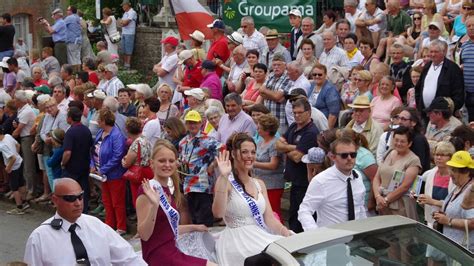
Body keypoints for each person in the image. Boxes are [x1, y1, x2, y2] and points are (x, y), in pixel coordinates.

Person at [24, 178, 145, 265]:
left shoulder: (96, 225)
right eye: (70, 198)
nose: (77, 203)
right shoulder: (40, 238)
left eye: (80, 197)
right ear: (55, 200)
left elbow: (128, 258)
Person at [213, 133, 291, 265]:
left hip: (259, 234)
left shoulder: (259, 183)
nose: (250, 156)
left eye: (253, 152)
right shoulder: (226, 182)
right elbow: (218, 213)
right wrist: (224, 176)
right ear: (233, 154)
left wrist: (285, 232)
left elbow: (269, 219)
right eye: (244, 152)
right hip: (238, 242)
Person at [136, 140, 215, 265]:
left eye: (171, 161)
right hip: (159, 256)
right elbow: (144, 235)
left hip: (172, 251)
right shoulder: (148, 190)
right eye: (162, 161)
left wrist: (194, 227)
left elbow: (167, 229)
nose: (167, 164)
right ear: (152, 163)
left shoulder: (166, 189)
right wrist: (154, 207)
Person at [298, 137, 367, 230]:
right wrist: (315, 235)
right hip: (332, 239)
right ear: (332, 157)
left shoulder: (357, 176)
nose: (349, 158)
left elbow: (360, 207)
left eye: (353, 154)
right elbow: (304, 211)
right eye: (344, 155)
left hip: (356, 236)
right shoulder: (321, 181)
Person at [276, 98, 319, 233]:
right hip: (294, 180)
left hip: (304, 182)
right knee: (293, 213)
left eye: (300, 112)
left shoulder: (311, 132)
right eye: (294, 113)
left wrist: (286, 148)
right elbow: (277, 144)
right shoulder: (294, 126)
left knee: (300, 217)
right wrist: (294, 147)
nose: (297, 115)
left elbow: (296, 157)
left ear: (309, 112)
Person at [178, 110, 222, 226]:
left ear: (200, 124)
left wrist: (213, 165)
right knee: (194, 219)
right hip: (188, 184)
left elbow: (223, 150)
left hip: (202, 184)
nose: (192, 125)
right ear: (186, 124)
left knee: (204, 220)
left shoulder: (206, 139)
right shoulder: (183, 142)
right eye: (189, 122)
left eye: (195, 123)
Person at [428, 151, 474, 252]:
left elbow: (472, 223)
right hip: (452, 247)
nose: (450, 173)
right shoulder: (457, 187)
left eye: (454, 170)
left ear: (466, 172)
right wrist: (442, 215)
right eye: (451, 169)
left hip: (464, 249)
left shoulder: (470, 192)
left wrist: (448, 221)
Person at [91, 109, 127, 235]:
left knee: (117, 202)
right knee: (107, 200)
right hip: (102, 174)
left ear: (104, 121)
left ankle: (121, 226)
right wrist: (93, 165)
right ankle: (109, 224)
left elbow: (117, 156)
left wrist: (103, 169)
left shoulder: (117, 136)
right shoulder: (101, 132)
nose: (97, 122)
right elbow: (93, 149)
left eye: (99, 120)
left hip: (114, 174)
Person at [373, 126, 421, 220]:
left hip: (400, 205)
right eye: (396, 140)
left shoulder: (413, 160)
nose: (398, 143)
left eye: (402, 141)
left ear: (409, 143)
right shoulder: (389, 152)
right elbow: (376, 177)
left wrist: (386, 200)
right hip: (382, 202)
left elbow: (405, 186)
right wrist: (378, 197)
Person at [417, 141, 456, 229]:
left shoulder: (455, 177)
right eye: (436, 154)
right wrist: (418, 198)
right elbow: (423, 201)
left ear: (450, 157)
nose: (438, 157)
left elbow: (455, 205)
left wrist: (432, 201)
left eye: (442, 155)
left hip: (449, 222)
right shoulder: (427, 175)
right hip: (430, 221)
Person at [61, 107, 93, 213]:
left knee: (69, 192)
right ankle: (84, 211)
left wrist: (63, 162)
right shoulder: (86, 130)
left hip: (72, 168)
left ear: (70, 118)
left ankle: (70, 212)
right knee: (83, 192)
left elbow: (67, 152)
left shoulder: (70, 132)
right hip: (84, 166)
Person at [254, 114, 285, 220]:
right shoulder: (260, 142)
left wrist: (254, 164)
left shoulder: (274, 144)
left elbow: (273, 165)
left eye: (259, 128)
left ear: (267, 131)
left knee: (273, 212)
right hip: (260, 182)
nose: (257, 129)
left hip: (273, 184)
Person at [12, 90, 37, 200]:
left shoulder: (27, 111)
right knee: (24, 165)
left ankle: (31, 190)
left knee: (28, 165)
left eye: (15, 99)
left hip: (27, 138)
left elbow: (18, 130)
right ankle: (26, 188)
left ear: (19, 101)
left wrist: (9, 138)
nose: (13, 101)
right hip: (23, 138)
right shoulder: (20, 109)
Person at [1, 127, 29, 215]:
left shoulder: (2, 145)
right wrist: (16, 154)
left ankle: (19, 207)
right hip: (20, 162)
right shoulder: (8, 136)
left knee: (14, 187)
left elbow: (12, 158)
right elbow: (18, 145)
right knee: (21, 183)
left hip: (13, 167)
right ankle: (25, 202)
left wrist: (8, 168)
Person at [307, 63, 341, 129]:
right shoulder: (312, 85)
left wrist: (327, 132)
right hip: (312, 124)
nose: (317, 76)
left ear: (325, 75)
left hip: (323, 125)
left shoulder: (330, 90)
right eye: (314, 74)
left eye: (320, 74)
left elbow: (333, 114)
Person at [120, 0, 137, 70]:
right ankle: (125, 63)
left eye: (124, 5)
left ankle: (128, 64)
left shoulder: (132, 12)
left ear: (127, 5)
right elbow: (121, 22)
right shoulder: (125, 13)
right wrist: (122, 22)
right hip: (124, 32)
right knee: (123, 49)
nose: (123, 7)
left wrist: (122, 22)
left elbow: (125, 23)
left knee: (129, 49)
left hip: (130, 33)